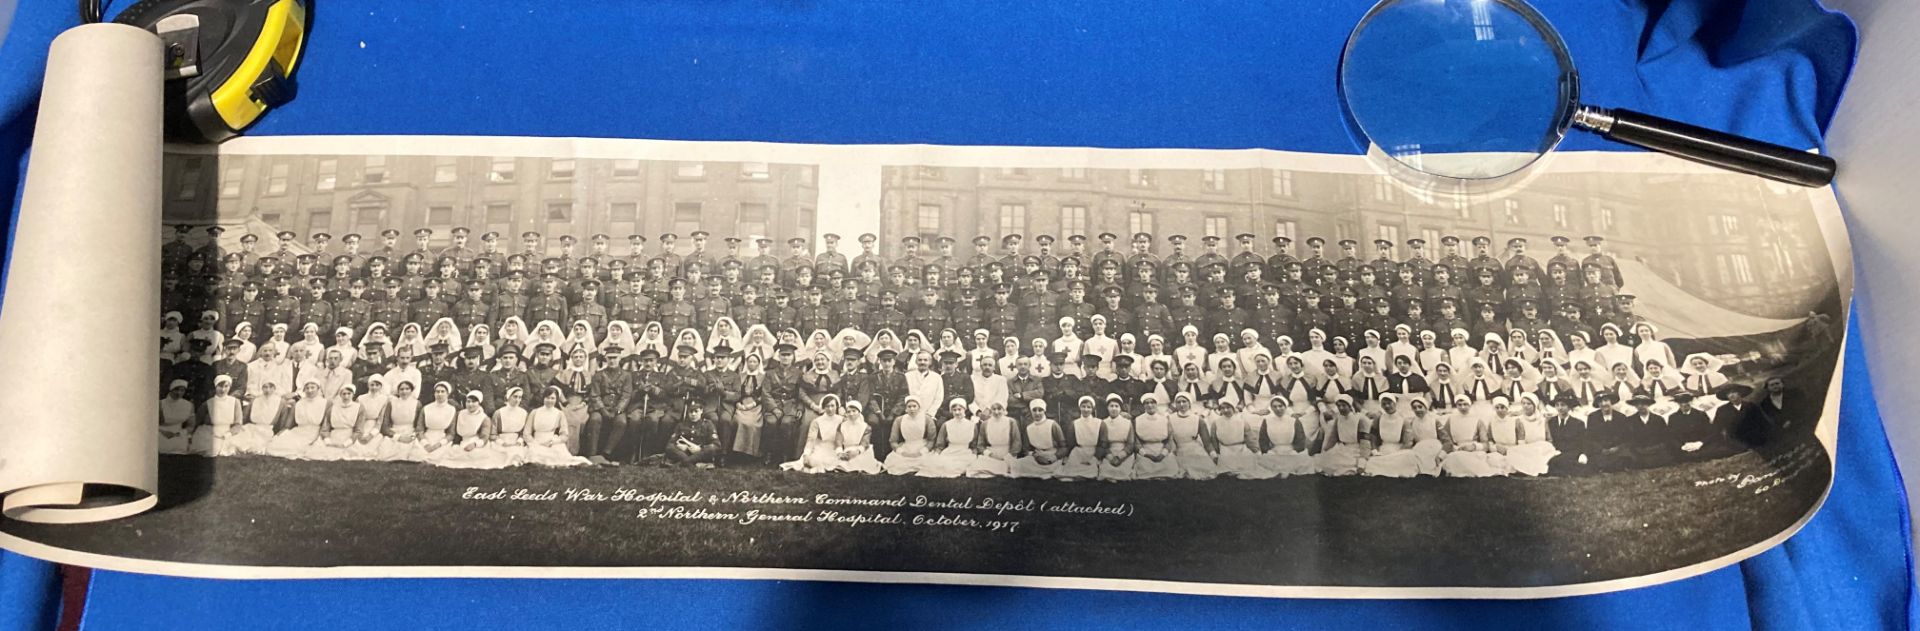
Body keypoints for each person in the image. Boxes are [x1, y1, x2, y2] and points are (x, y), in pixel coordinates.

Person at [526, 386, 592, 467]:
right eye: (547, 398)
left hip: (552, 442)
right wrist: (533, 442)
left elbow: (565, 434)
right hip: (536, 441)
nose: (550, 401)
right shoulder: (535, 412)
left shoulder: (559, 413)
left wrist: (554, 441)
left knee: (559, 456)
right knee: (534, 455)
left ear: (556, 399)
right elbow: (527, 432)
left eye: (552, 398)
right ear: (543, 398)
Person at [783, 393, 848, 473]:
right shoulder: (817, 421)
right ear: (823, 407)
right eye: (827, 406)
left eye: (832, 406)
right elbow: (811, 440)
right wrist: (806, 454)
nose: (830, 409)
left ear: (837, 406)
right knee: (817, 460)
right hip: (822, 447)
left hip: (837, 448)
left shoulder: (842, 420)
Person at [918, 399, 981, 478]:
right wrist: (937, 455)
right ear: (951, 411)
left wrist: (974, 455)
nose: (957, 412)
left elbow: (973, 445)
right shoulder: (946, 425)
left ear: (964, 409)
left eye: (959, 409)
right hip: (950, 452)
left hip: (965, 453)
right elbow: (940, 445)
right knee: (940, 465)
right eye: (954, 410)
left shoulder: (972, 425)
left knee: (966, 465)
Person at [1500, 393, 1559, 476]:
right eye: (1523, 403)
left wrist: (1547, 446)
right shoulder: (1519, 420)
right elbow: (1520, 440)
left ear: (1534, 405)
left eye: (1529, 404)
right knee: (1512, 452)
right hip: (1527, 448)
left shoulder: (1543, 420)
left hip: (1542, 447)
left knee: (1545, 450)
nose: (1525, 406)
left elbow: (1549, 439)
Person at [303, 384, 363, 461]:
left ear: (353, 395)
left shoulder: (358, 408)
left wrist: (348, 442)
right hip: (335, 434)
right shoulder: (333, 408)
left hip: (349, 434)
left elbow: (359, 429)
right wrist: (327, 440)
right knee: (318, 451)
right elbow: (325, 427)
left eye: (349, 394)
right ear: (340, 395)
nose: (346, 396)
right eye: (344, 394)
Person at [190, 375, 244, 456]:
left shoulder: (235, 402)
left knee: (232, 447)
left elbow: (238, 423)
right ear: (215, 386)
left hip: (228, 431)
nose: (223, 389)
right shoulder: (208, 403)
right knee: (210, 448)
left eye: (226, 386)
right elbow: (197, 420)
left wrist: (229, 433)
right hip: (210, 431)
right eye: (220, 386)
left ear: (230, 387)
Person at [1314, 395, 1369, 476]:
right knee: (1320, 462)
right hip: (1341, 449)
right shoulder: (1339, 419)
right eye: (1339, 406)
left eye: (1344, 405)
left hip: (1355, 451)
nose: (1341, 408)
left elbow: (1364, 442)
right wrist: (1325, 451)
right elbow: (1333, 438)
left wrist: (1362, 462)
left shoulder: (1360, 419)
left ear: (1350, 406)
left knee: (1347, 467)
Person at [965, 401, 1022, 477]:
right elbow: (980, 445)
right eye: (994, 409)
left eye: (999, 409)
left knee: (1012, 466)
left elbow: (1017, 443)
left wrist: (1008, 456)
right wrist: (989, 454)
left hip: (1008, 454)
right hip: (992, 454)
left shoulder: (1011, 422)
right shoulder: (985, 424)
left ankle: (1002, 467)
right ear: (991, 410)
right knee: (976, 466)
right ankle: (999, 468)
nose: (996, 412)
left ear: (1003, 409)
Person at [1131, 393, 1181, 479]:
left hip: (1162, 449)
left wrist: (1163, 454)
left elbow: (1169, 440)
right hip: (1145, 450)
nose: (1150, 405)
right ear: (1143, 406)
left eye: (1152, 402)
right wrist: (1145, 454)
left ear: (1156, 404)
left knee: (1169, 467)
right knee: (1145, 468)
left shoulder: (1165, 419)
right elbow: (1136, 441)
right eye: (1147, 403)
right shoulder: (1137, 420)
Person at [1012, 400, 1066, 479]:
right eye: (1034, 410)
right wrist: (1035, 456)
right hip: (1037, 457)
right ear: (1031, 411)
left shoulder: (1053, 424)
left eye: (1040, 410)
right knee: (1017, 464)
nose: (1037, 413)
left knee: (1053, 468)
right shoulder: (1029, 428)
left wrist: (1054, 457)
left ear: (1044, 411)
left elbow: (1063, 447)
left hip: (1052, 456)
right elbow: (1026, 450)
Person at [883, 396, 936, 475]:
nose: (912, 409)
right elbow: (893, 441)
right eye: (909, 406)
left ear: (919, 407)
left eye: (914, 406)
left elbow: (931, 440)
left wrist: (922, 451)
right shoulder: (899, 420)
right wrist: (902, 452)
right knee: (896, 462)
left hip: (922, 445)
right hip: (906, 446)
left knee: (927, 461)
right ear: (906, 408)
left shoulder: (927, 419)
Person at [1057, 396, 1105, 480]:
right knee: (1071, 470)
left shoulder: (1100, 423)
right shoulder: (1074, 423)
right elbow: (1071, 442)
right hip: (1078, 451)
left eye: (1089, 407)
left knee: (1091, 470)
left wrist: (1096, 456)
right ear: (1080, 408)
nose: (1086, 409)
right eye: (1083, 406)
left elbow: (1102, 443)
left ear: (1092, 409)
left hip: (1093, 452)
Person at [667, 399, 724, 468]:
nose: (693, 414)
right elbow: (670, 444)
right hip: (684, 453)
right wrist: (683, 447)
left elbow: (716, 445)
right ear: (688, 412)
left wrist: (700, 448)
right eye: (691, 411)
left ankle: (685, 462)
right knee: (670, 448)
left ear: (701, 411)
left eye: (696, 411)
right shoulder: (681, 425)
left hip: (700, 453)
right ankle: (694, 464)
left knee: (711, 449)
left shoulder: (708, 424)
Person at [1096, 394, 1139, 481]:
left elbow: (1130, 443)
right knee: (1107, 473)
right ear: (1107, 408)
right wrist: (1110, 457)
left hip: (1124, 453)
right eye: (1111, 406)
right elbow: (1102, 443)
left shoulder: (1127, 423)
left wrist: (1120, 456)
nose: (1114, 408)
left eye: (1116, 406)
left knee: (1123, 473)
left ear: (1120, 408)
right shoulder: (1102, 423)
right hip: (1108, 452)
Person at [488, 387, 533, 467]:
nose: (517, 400)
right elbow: (493, 434)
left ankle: (515, 461)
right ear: (508, 397)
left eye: (520, 397)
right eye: (515, 396)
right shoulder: (498, 413)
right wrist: (503, 443)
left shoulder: (523, 413)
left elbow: (524, 432)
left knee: (518, 451)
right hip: (502, 441)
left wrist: (519, 441)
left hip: (517, 441)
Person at [158, 380, 196, 454]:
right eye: (176, 389)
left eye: (182, 390)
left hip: (179, 434)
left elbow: (191, 425)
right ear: (171, 390)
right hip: (161, 432)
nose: (179, 393)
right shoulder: (160, 404)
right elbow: (150, 425)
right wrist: (163, 432)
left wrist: (180, 433)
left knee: (179, 449)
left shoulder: (189, 405)